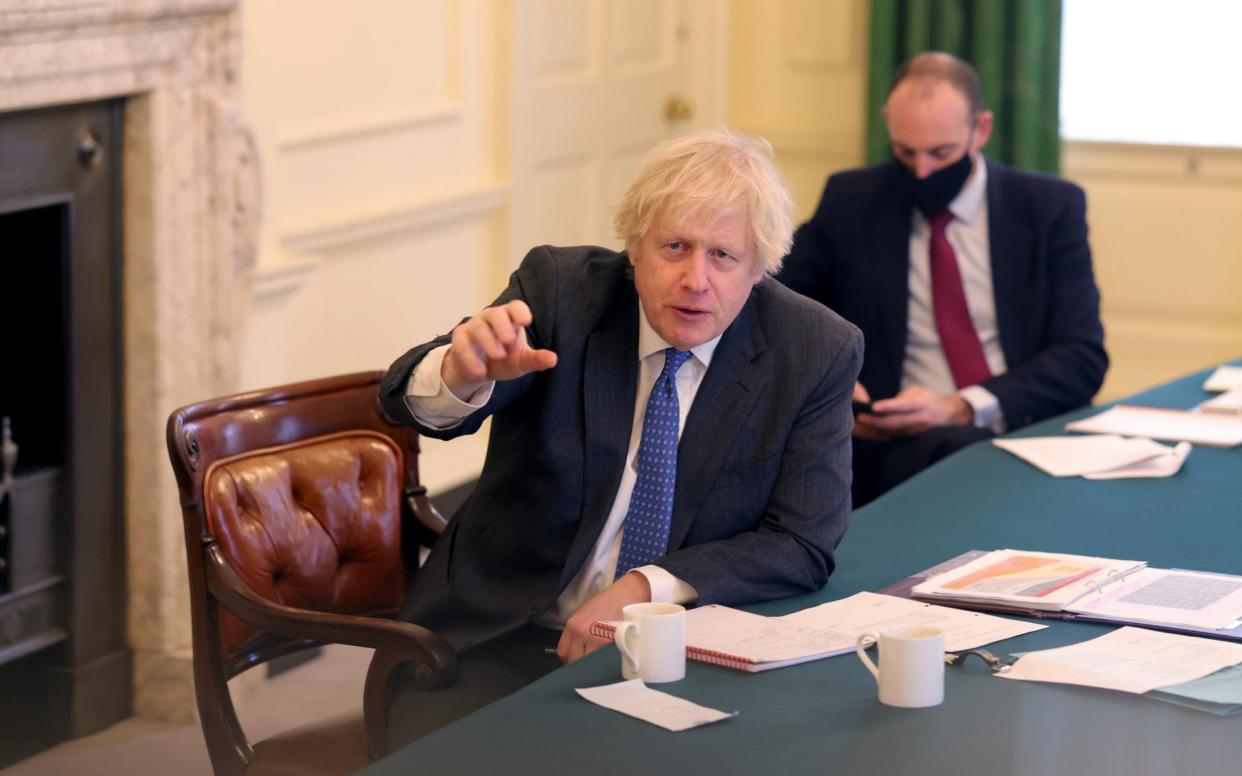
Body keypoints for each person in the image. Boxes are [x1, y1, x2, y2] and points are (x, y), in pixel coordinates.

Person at [377, 128, 862, 743]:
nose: (695, 279)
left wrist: (646, 587)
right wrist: (459, 374)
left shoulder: (814, 349)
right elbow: (401, 403)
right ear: (634, 250)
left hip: (680, 648)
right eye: (675, 246)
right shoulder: (562, 293)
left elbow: (802, 540)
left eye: (723, 256)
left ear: (759, 270)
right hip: (500, 638)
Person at [777, 52, 1108, 507]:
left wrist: (961, 406)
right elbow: (777, 299)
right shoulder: (854, 200)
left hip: (1020, 431)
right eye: (905, 152)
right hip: (894, 443)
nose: (923, 171)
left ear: (981, 130)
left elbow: (1082, 358)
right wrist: (833, 384)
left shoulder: (1048, 208)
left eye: (941, 153)